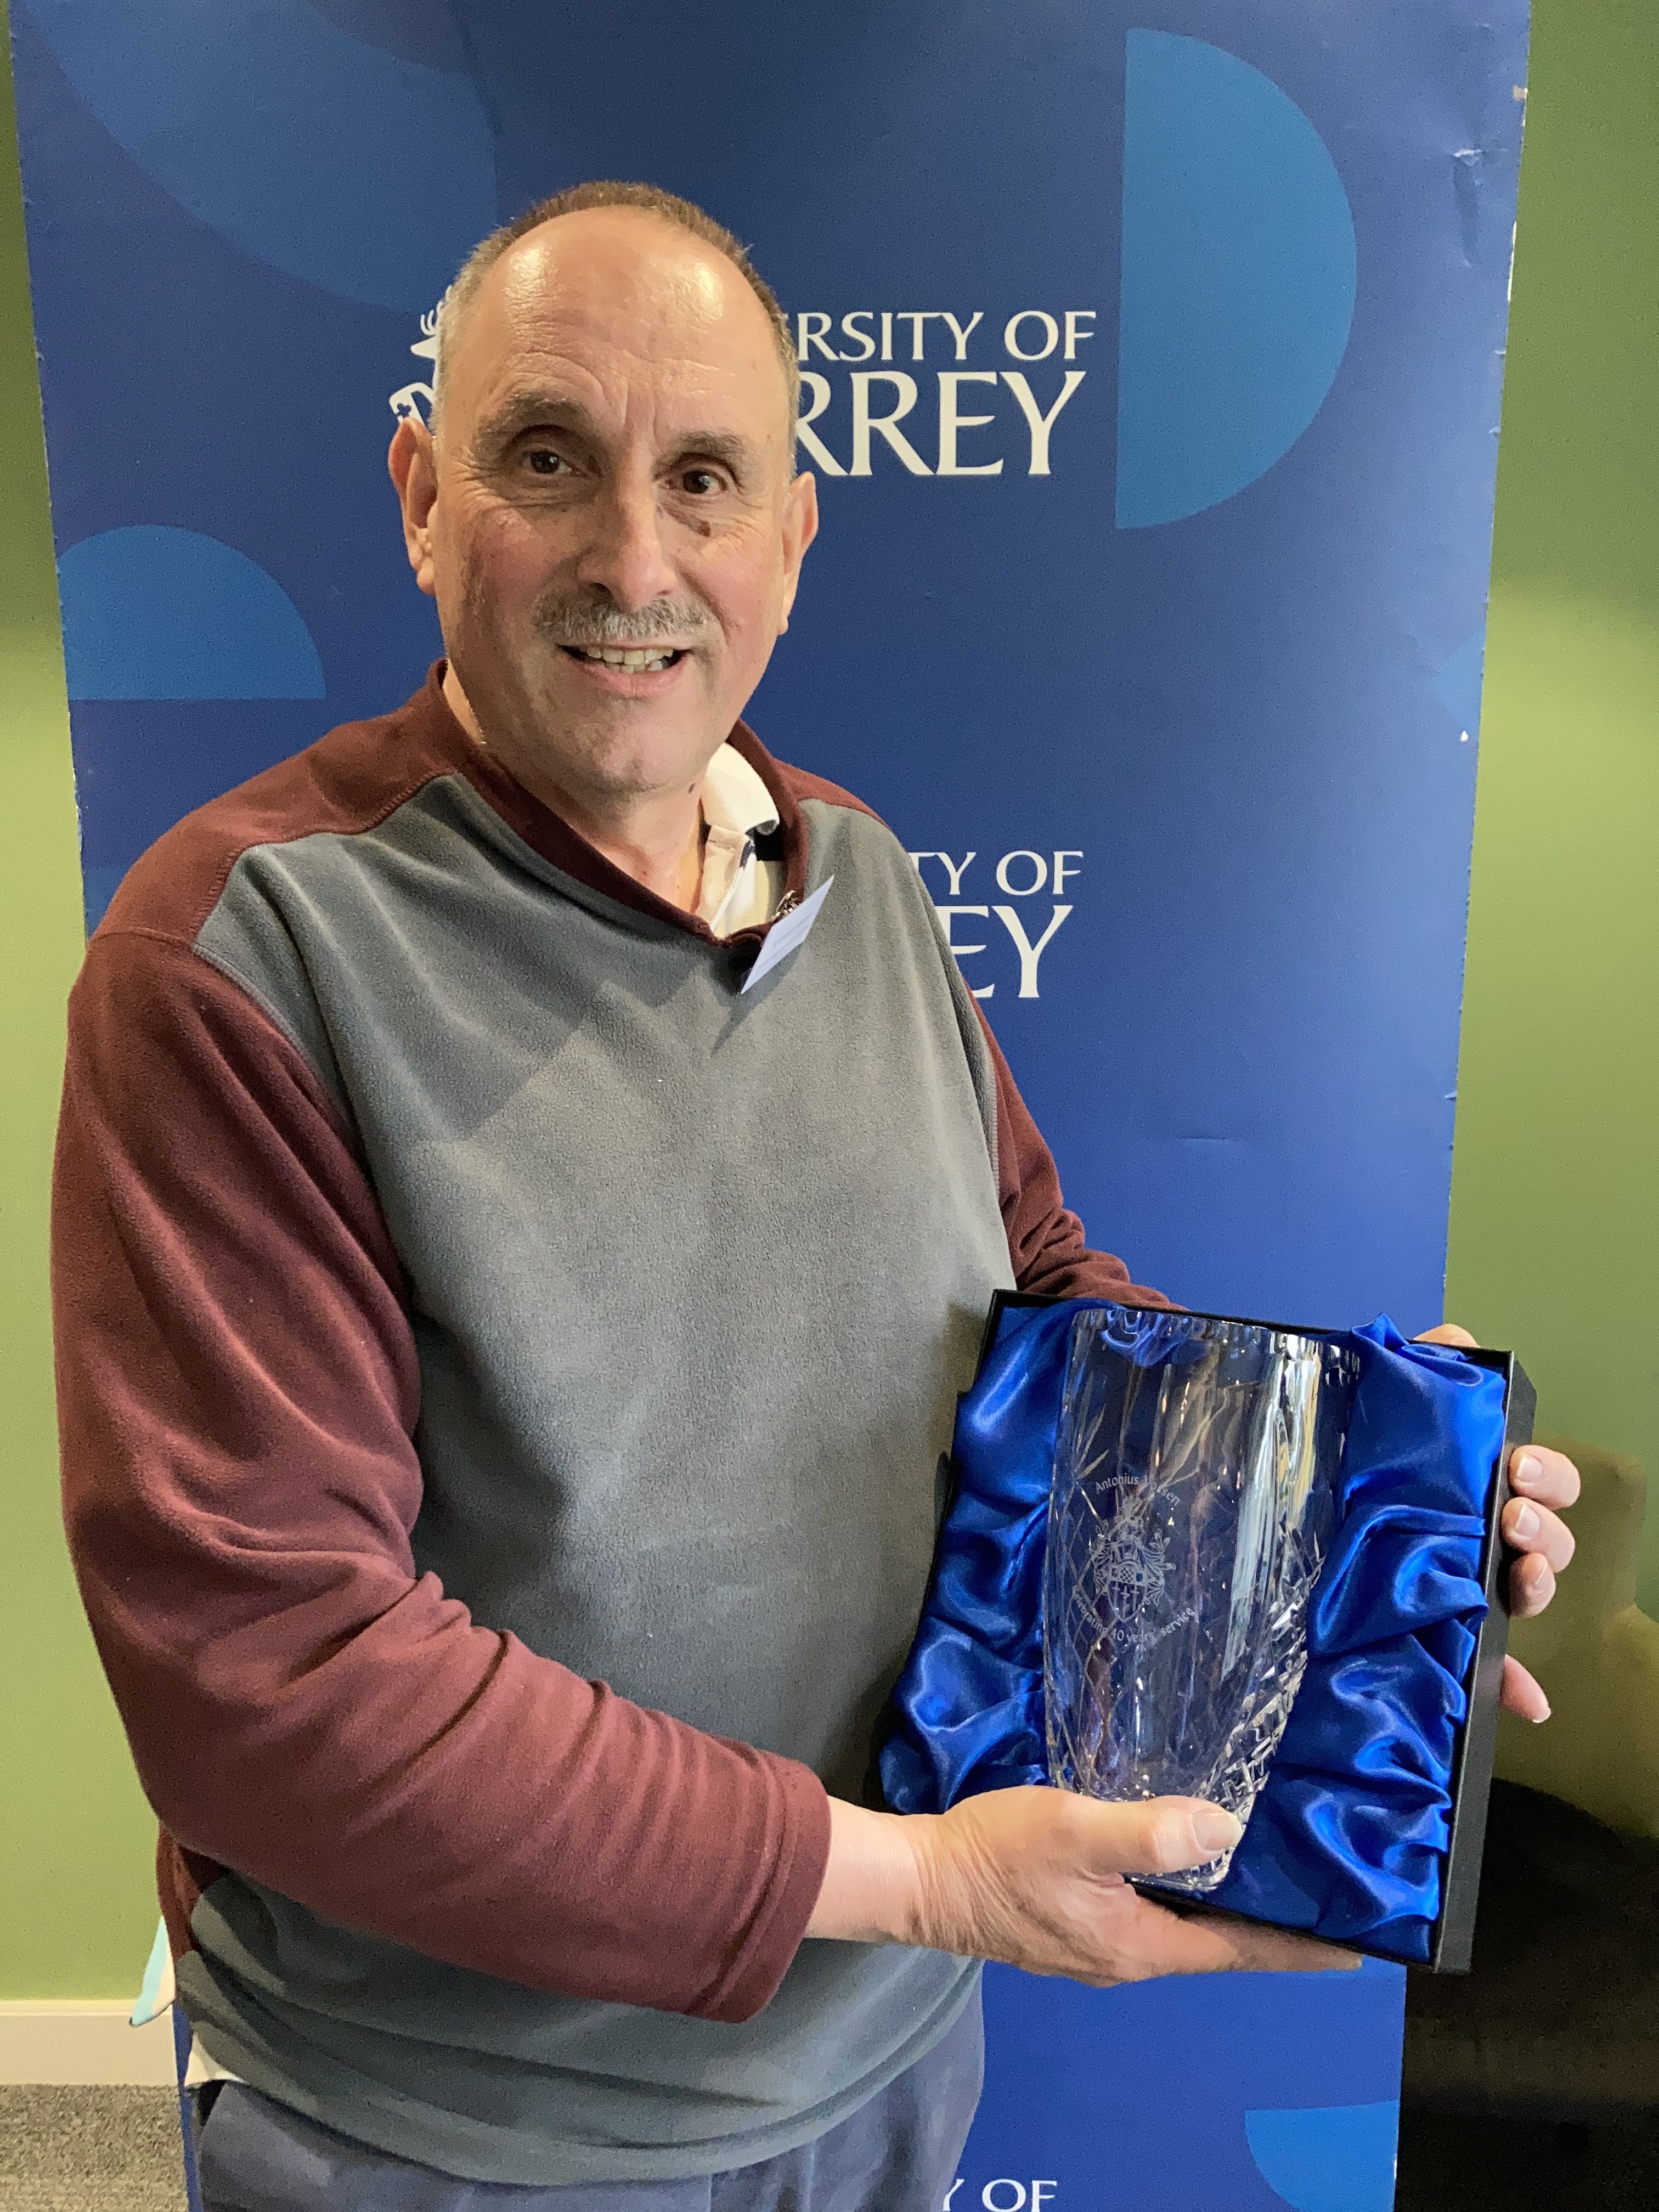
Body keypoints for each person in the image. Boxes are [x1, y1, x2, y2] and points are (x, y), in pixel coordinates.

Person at [51, 182, 1580, 2212]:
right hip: (453, 2135)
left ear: (791, 536)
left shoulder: (854, 873)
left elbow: (1040, 1311)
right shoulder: (243, 956)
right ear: (422, 499)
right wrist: (913, 1880)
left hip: (884, 2071)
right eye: (545, 459)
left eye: (707, 478)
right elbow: (276, 1675)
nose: (636, 558)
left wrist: (1359, 1511)